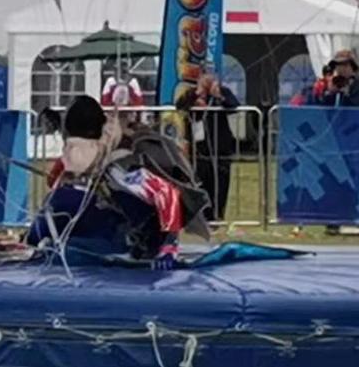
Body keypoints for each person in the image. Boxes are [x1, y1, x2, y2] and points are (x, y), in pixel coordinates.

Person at [26, 96, 209, 268]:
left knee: (62, 202)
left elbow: (167, 194)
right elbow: (58, 176)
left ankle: (32, 242)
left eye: (72, 146)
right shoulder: (97, 158)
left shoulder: (120, 169)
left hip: (132, 241)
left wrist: (169, 248)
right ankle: (31, 241)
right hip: (117, 230)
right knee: (61, 201)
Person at [176, 70, 239, 222]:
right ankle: (202, 215)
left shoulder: (222, 92)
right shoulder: (191, 93)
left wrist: (218, 96)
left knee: (221, 183)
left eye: (210, 78)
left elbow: (234, 106)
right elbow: (179, 106)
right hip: (199, 149)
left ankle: (218, 215)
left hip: (220, 146)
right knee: (201, 181)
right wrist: (197, 95)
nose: (207, 82)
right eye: (205, 79)